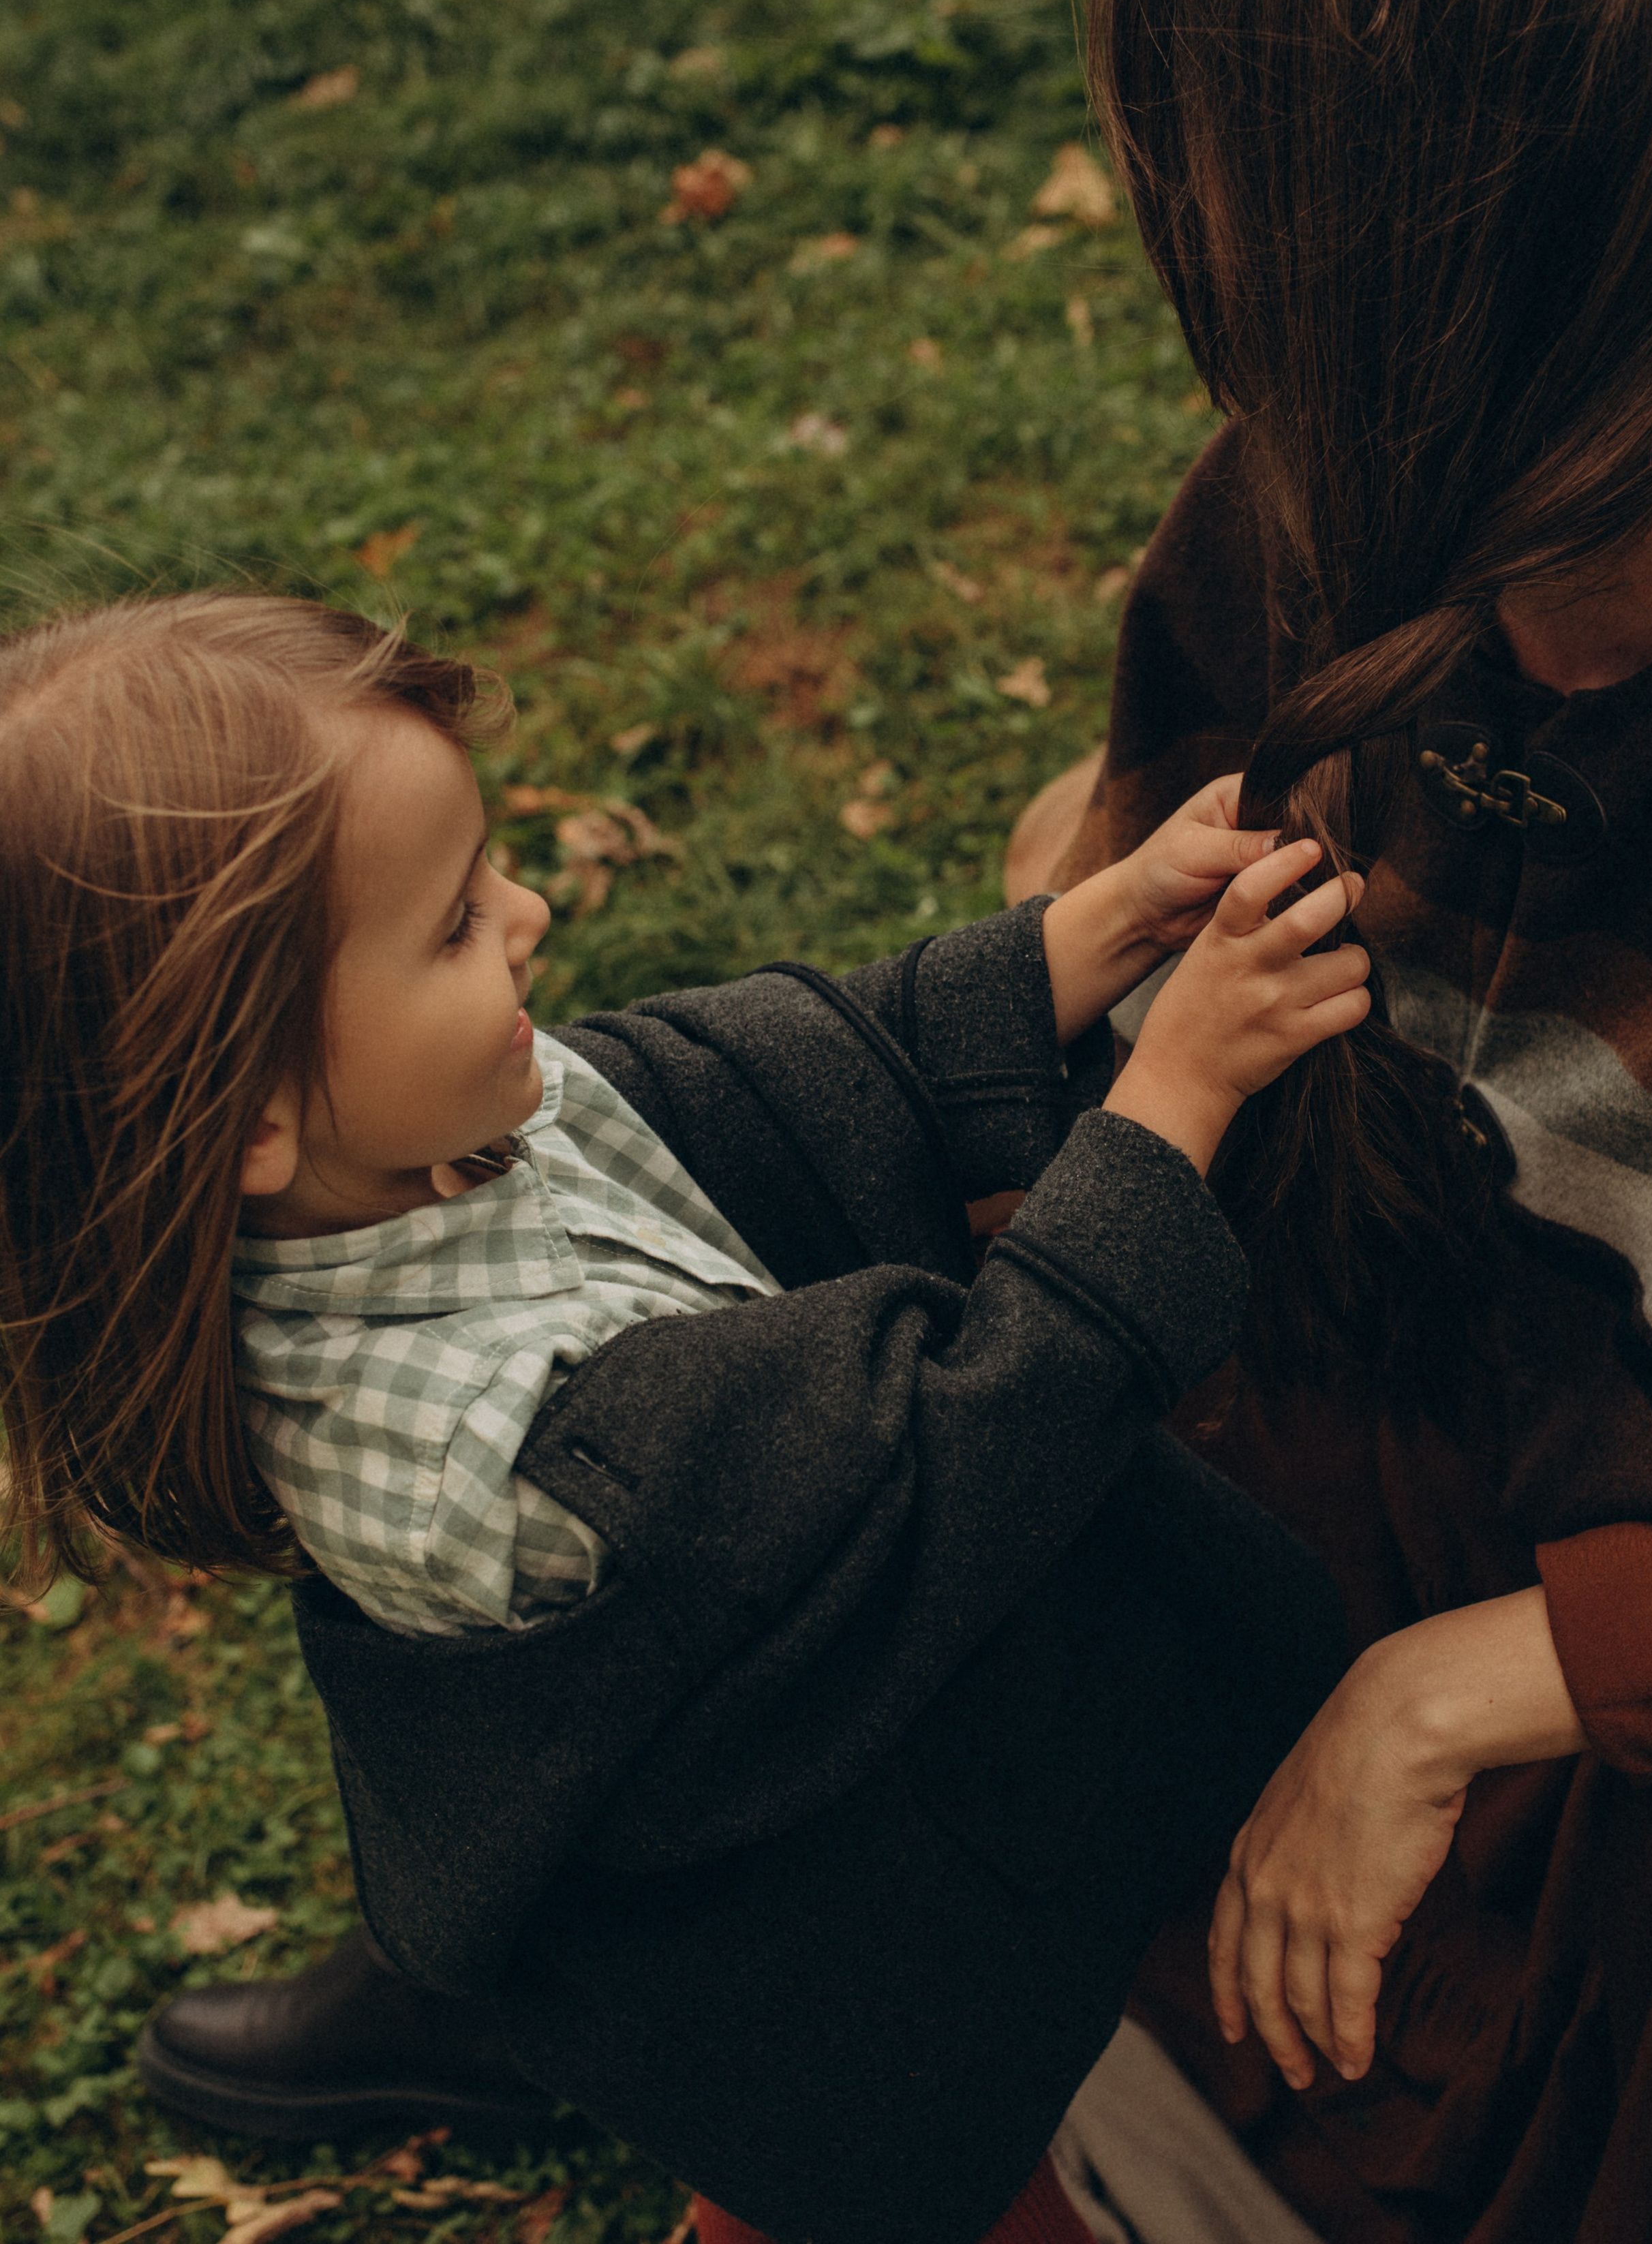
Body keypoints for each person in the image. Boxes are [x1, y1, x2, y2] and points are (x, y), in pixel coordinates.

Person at [0, 591, 1367, 2244]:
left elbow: (774, 1072)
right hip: (812, 1927)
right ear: (251, 1117)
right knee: (911, 2172)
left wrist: (1089, 935)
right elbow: (953, 1458)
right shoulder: (504, 1441)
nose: (527, 914)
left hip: (808, 1853)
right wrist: (1179, 1092)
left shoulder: (409, 1135)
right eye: (449, 925)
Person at [1007, 0, 1652, 2244]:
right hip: (1425, 1370)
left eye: (1226, 205)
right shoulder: (1322, 512)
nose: (1186, 262)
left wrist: (1472, 1683)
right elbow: (1108, 900)